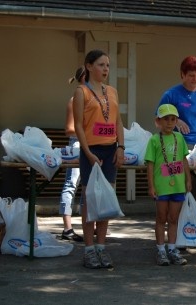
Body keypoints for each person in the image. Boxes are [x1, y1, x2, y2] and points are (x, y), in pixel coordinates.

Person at [73, 49, 125, 269]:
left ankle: (102, 247)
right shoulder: (81, 92)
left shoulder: (112, 91)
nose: (105, 69)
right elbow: (78, 126)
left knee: (106, 200)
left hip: (110, 150)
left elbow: (118, 122)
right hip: (91, 152)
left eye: (108, 65)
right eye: (101, 65)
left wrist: (121, 147)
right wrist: (88, 153)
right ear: (89, 66)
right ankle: (88, 249)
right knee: (89, 200)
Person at [157, 56, 196, 212]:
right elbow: (158, 119)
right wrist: (176, 121)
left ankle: (194, 225)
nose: (195, 79)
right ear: (182, 75)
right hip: (177, 148)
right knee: (177, 189)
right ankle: (175, 226)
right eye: (191, 75)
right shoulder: (171, 95)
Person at [144, 104, 192, 266]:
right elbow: (150, 164)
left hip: (177, 185)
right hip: (162, 186)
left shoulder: (179, 138)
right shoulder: (154, 140)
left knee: (173, 218)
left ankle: (172, 248)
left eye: (173, 119)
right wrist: (151, 186)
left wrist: (188, 179)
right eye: (166, 119)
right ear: (158, 121)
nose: (169, 123)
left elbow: (184, 160)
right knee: (161, 218)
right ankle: (161, 250)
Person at [59, 66, 85, 242]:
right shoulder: (74, 100)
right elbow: (68, 129)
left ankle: (88, 225)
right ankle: (67, 228)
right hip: (77, 145)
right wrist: (83, 132)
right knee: (71, 184)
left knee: (88, 186)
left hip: (92, 145)